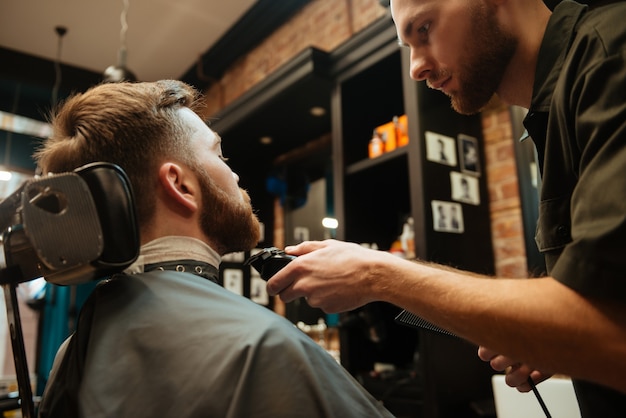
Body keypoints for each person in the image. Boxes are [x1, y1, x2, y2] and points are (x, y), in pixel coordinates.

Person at [266, 0, 626, 416]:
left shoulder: (609, 53)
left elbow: (611, 325)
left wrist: (376, 273)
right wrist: (541, 337)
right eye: (408, 45)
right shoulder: (554, 114)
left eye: (424, 29)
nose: (415, 68)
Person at [34, 80, 394, 418]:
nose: (235, 175)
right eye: (219, 154)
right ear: (180, 185)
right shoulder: (261, 347)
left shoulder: (73, 353)